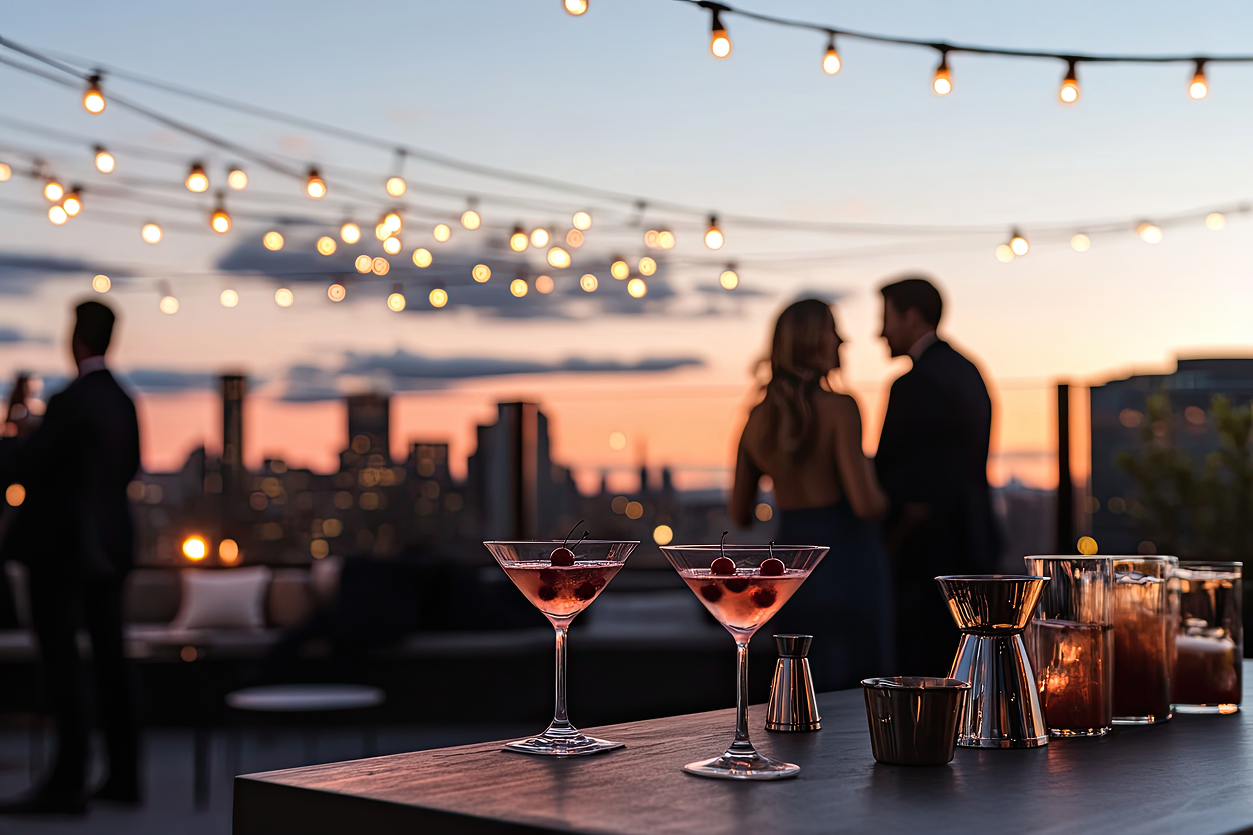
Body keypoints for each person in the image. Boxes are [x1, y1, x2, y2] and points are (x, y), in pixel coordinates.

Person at [0, 301, 141, 814]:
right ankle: (124, 777)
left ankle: (66, 783)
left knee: (62, 666)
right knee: (110, 663)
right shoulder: (123, 401)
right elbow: (128, 470)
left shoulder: (71, 401)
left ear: (75, 338)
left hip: (61, 554)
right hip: (111, 551)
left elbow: (28, 467)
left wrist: (14, 427)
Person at [730, 299, 894, 691]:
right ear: (812, 342)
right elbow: (866, 503)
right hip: (847, 559)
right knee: (860, 690)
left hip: (790, 566)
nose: (842, 339)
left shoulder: (756, 418)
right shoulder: (841, 408)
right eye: (831, 329)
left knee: (803, 686)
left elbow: (740, 512)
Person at [875, 276, 999, 676]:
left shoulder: (913, 384)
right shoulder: (967, 371)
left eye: (886, 317)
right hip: (972, 541)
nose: (880, 332)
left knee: (924, 671)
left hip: (925, 556)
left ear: (910, 317)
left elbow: (894, 473)